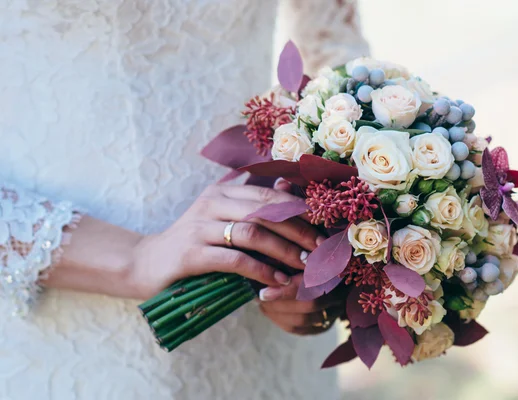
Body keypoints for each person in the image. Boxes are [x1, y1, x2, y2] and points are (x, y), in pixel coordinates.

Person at [0, 0, 369, 398]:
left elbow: (334, 54)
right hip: (66, 311)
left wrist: (322, 240)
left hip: (263, 299)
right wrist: (134, 257)